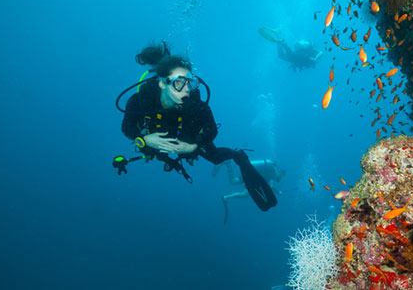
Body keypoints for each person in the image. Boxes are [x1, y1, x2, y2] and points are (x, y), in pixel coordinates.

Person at [116, 42, 277, 211]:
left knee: (215, 157)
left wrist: (193, 145)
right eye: (179, 83)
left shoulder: (195, 104)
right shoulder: (140, 101)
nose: (186, 90)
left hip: (188, 138)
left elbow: (211, 130)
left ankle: (239, 156)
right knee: (150, 150)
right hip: (153, 138)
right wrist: (144, 140)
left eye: (190, 83)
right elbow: (127, 128)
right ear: (162, 83)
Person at [213, 159, 285, 223]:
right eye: (281, 176)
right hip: (252, 180)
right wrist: (278, 191)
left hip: (250, 176)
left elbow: (268, 185)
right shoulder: (273, 174)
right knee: (244, 193)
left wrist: (276, 190)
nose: (280, 178)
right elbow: (271, 186)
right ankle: (226, 197)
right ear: (280, 173)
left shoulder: (271, 171)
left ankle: (228, 164)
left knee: (233, 182)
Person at [259, 26, 323, 71]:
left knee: (281, 56)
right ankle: (283, 43)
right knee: (290, 55)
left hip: (297, 59)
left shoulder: (311, 52)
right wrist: (315, 58)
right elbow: (321, 52)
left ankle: (278, 35)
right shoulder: (313, 51)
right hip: (301, 57)